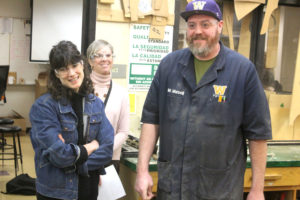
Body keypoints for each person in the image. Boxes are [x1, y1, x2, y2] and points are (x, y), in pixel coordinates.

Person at [134, 0, 272, 200]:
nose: (197, 31)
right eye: (192, 25)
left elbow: (258, 134)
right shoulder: (169, 66)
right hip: (173, 188)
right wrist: (142, 171)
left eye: (205, 24)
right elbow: (151, 120)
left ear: (220, 26)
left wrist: (257, 190)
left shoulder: (242, 70)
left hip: (219, 190)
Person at [30, 40, 114, 200]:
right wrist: (91, 147)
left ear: (82, 64)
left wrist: (74, 162)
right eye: (63, 69)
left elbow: (107, 149)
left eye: (74, 65)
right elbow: (59, 154)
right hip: (56, 193)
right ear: (56, 73)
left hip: (88, 189)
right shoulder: (44, 107)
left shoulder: (95, 103)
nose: (71, 73)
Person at [87, 39, 129, 173]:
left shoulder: (121, 93)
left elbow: (123, 132)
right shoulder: (82, 89)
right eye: (99, 55)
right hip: (85, 157)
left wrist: (104, 150)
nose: (104, 59)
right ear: (90, 61)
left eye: (108, 55)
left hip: (110, 158)